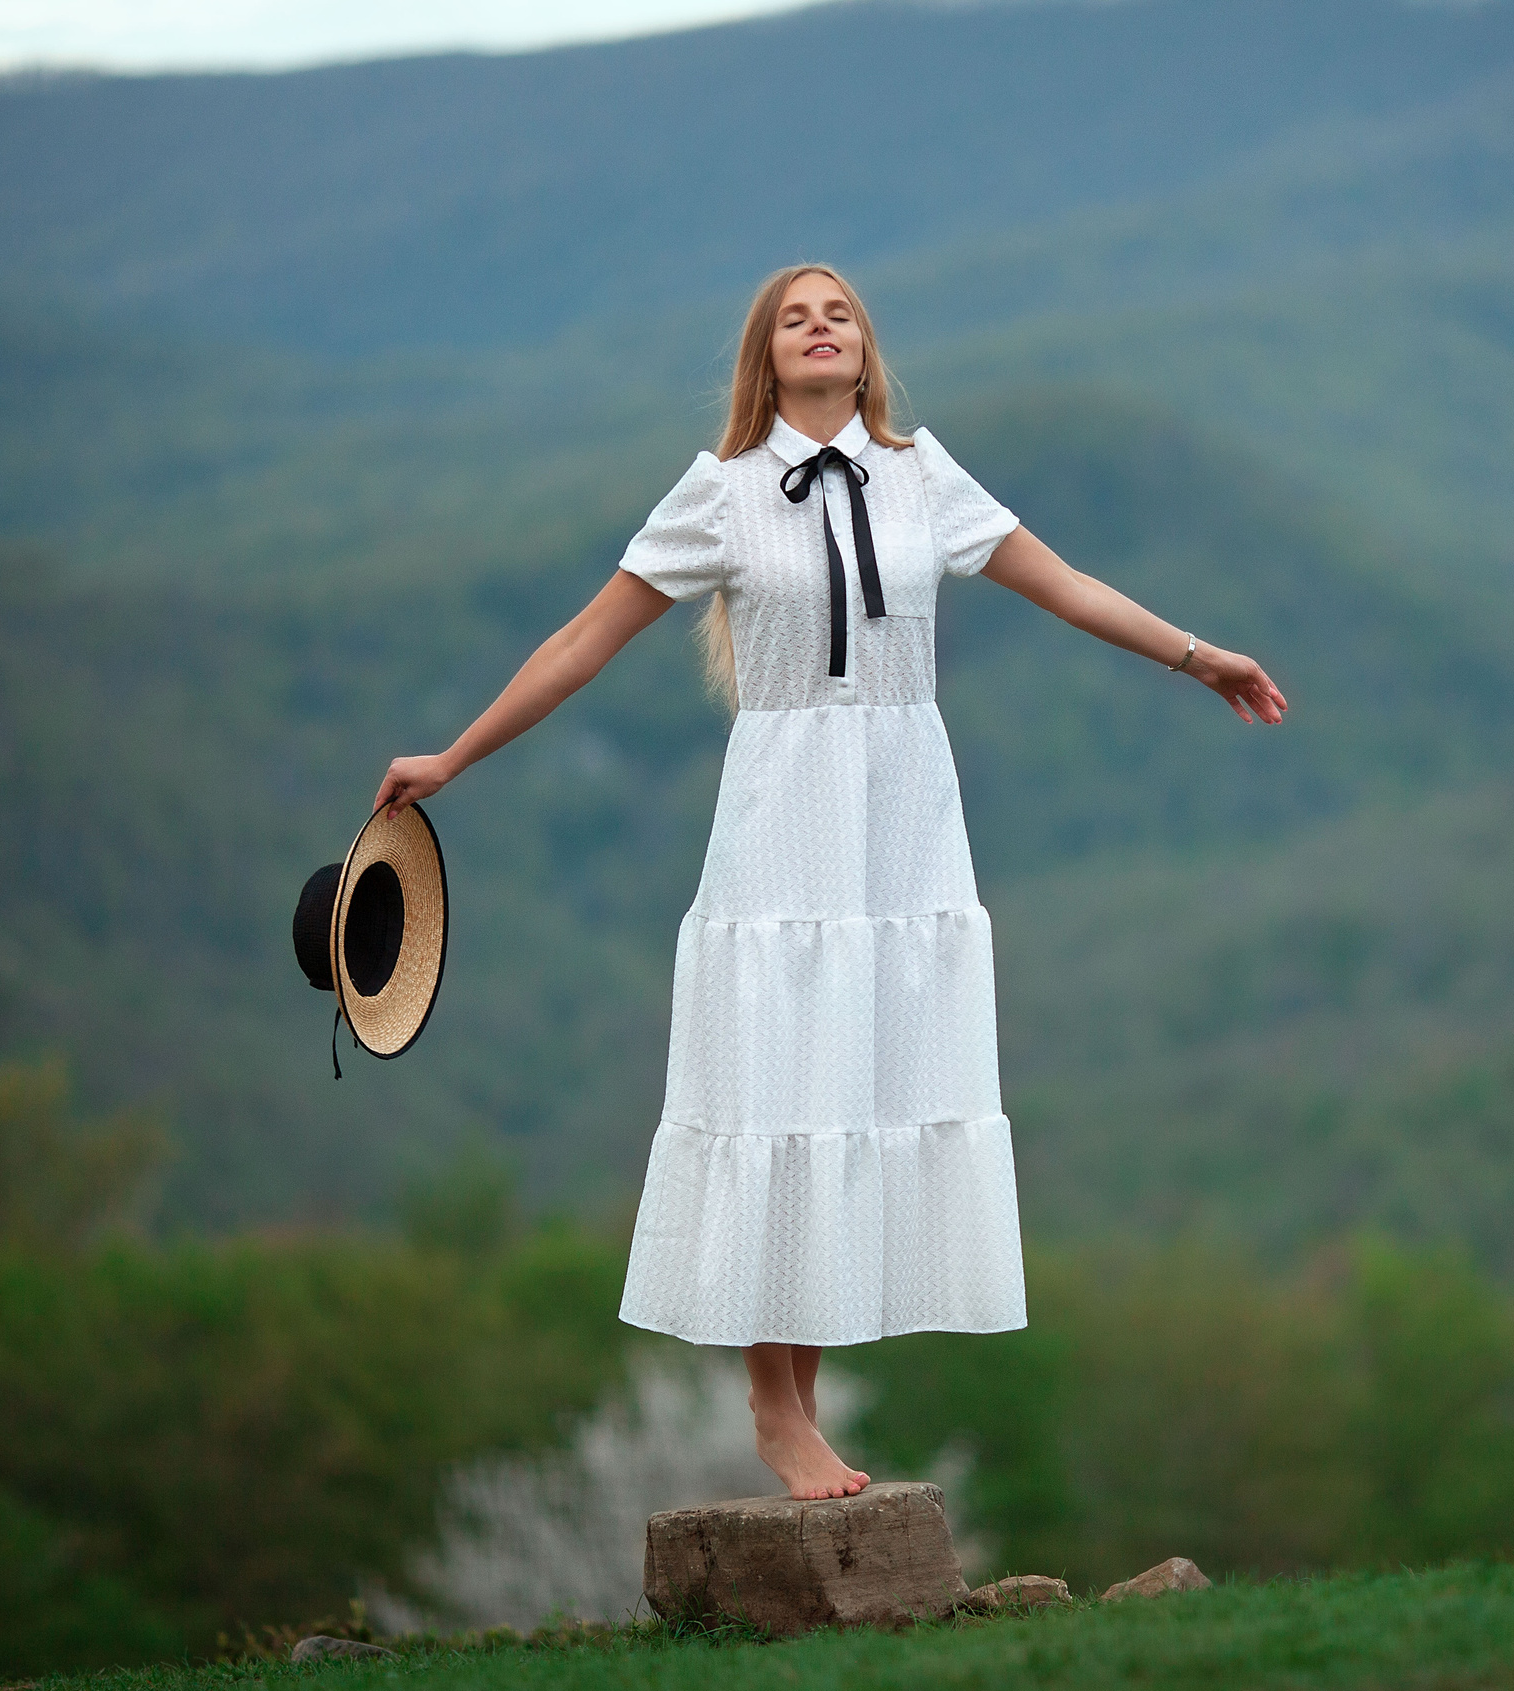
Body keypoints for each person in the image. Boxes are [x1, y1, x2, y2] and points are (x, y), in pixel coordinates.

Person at [375, 264, 1286, 1499]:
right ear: (767, 357)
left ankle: (801, 1395)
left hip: (904, 813)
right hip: (785, 812)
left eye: (839, 314)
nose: (819, 326)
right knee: (780, 1081)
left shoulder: (924, 477)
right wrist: (457, 755)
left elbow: (1064, 586)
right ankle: (775, 1405)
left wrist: (1196, 656)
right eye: (794, 317)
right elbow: (585, 638)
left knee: (861, 1079)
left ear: (865, 354)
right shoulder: (721, 497)